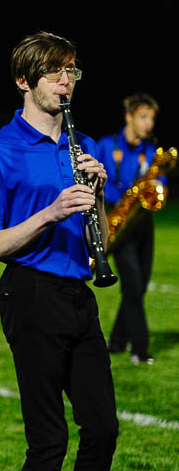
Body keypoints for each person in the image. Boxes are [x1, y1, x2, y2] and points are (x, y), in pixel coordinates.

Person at [0, 31, 119, 471]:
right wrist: (50, 213)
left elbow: (101, 239)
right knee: (49, 439)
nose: (65, 81)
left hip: (79, 294)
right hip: (30, 293)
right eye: (53, 72)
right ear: (23, 81)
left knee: (103, 429)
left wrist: (98, 194)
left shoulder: (84, 144)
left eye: (70, 71)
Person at [97, 94, 162, 365]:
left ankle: (116, 341)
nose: (149, 124)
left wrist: (158, 187)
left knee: (140, 285)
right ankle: (140, 349)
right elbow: (98, 181)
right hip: (118, 221)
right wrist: (123, 198)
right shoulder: (105, 145)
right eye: (143, 117)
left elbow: (160, 181)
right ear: (129, 117)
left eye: (151, 118)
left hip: (142, 222)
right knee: (133, 286)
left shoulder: (151, 151)